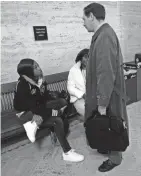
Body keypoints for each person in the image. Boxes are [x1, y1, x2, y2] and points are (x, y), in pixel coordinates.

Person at [83, 3, 129, 172]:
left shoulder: (104, 37)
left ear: (92, 16)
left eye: (84, 18)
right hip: (105, 91)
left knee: (113, 123)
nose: (83, 22)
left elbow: (105, 72)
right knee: (107, 123)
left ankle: (115, 158)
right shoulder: (102, 34)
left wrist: (102, 102)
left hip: (108, 93)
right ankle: (106, 145)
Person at [14, 58, 84, 162]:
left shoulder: (39, 79)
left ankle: (54, 129)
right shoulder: (23, 85)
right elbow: (33, 107)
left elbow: (44, 98)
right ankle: (67, 152)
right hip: (26, 113)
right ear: (28, 71)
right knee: (57, 120)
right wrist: (52, 111)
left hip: (37, 107)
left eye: (38, 65)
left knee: (63, 102)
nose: (39, 68)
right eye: (35, 68)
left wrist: (57, 98)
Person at [67, 49, 89, 119]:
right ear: (80, 58)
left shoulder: (94, 68)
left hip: (92, 97)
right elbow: (70, 88)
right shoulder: (73, 70)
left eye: (89, 57)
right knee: (88, 112)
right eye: (86, 57)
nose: (88, 59)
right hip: (78, 98)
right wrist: (82, 94)